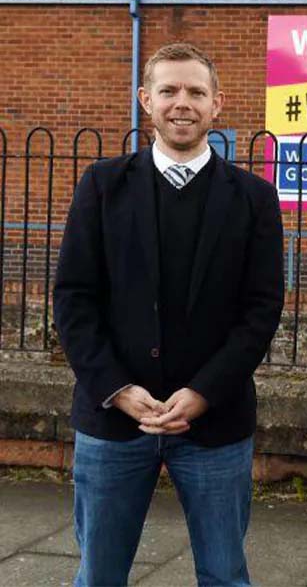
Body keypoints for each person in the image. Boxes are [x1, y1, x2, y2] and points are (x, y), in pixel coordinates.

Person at [53, 43, 284, 586]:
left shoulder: (254, 197)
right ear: (145, 99)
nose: (183, 103)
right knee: (98, 576)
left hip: (215, 425)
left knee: (225, 574)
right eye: (169, 90)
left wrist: (203, 392)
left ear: (217, 103)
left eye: (196, 92)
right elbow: (73, 297)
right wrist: (117, 388)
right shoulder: (102, 185)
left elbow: (261, 309)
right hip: (113, 421)